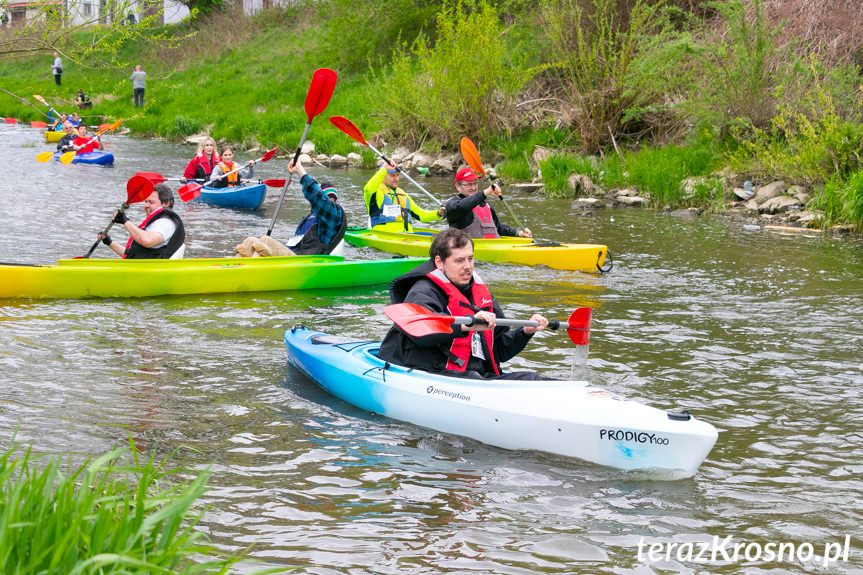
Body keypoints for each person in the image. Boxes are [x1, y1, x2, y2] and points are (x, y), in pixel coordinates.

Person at [377, 228, 549, 380]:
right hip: (435, 375)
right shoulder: (422, 291)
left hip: (475, 377)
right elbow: (423, 331)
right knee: (482, 377)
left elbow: (499, 351)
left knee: (532, 379)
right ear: (439, 262)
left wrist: (525, 332)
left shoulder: (480, 293)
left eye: (470, 259)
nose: (468, 266)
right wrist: (469, 324)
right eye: (459, 261)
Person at [235, 158, 346, 257]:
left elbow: (315, 194)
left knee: (266, 241)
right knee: (251, 240)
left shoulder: (334, 213)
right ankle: (235, 268)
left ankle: (252, 272)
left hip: (305, 262)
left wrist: (300, 169)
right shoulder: (311, 217)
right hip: (292, 254)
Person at [98, 184, 185, 259]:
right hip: (147, 268)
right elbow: (133, 255)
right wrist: (109, 242)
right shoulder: (157, 223)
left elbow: (147, 241)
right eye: (146, 202)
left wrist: (125, 221)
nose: (146, 205)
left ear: (166, 203)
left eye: (151, 202)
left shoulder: (166, 223)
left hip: (153, 272)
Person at [445, 167, 532, 239]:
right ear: (458, 186)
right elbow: (463, 206)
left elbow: (498, 228)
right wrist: (486, 192)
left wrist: (518, 233)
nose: (473, 188)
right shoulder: (452, 205)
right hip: (469, 253)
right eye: (468, 185)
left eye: (475, 184)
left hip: (496, 246)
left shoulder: (487, 205)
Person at [363, 160, 445, 232]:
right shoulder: (376, 193)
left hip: (407, 236)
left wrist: (438, 213)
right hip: (386, 236)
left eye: (397, 175)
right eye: (392, 175)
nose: (396, 179)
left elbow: (421, 215)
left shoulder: (403, 195)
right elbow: (368, 189)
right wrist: (384, 168)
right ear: (383, 176)